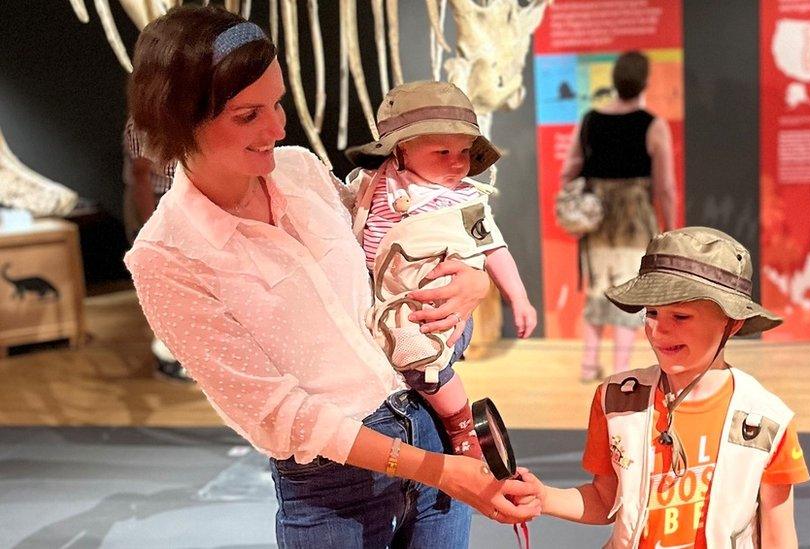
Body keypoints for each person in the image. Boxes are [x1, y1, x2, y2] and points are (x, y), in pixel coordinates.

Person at [122, 6, 539, 547]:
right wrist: (433, 469)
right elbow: (277, 414)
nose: (276, 127)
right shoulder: (166, 257)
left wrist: (475, 277)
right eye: (248, 115)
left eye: (277, 103)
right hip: (336, 488)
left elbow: (396, 241)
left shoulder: (298, 168)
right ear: (180, 120)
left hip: (429, 424)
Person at [519, 227, 810, 548]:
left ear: (732, 322)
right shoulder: (615, 398)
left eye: (681, 316)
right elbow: (605, 499)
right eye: (651, 313)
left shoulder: (766, 420)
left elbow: (778, 534)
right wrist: (542, 496)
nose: (659, 329)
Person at [344, 80, 537, 459]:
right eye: (442, 151)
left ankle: (461, 423)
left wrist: (519, 297)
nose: (458, 163)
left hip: (430, 303)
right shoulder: (373, 184)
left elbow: (493, 246)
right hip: (381, 295)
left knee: (416, 352)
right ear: (400, 150)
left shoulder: (463, 198)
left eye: (465, 152)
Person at [562, 51, 678, 381]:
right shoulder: (652, 125)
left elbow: (570, 167)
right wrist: (670, 230)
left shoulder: (590, 119)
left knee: (598, 286)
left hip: (598, 219)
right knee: (629, 289)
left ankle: (588, 365)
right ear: (644, 82)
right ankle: (620, 369)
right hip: (635, 220)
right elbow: (665, 187)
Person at [122, 118, 190, 382]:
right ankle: (167, 358)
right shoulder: (142, 124)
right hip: (155, 201)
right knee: (163, 284)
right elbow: (141, 176)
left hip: (184, 201)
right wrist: (152, 228)